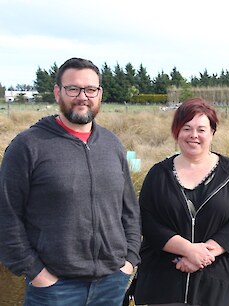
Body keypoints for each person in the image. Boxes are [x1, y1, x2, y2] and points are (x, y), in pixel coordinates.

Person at [0, 57, 141, 306]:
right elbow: (7, 215)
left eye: (90, 89)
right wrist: (35, 272)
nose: (82, 97)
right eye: (73, 89)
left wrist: (129, 260)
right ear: (58, 92)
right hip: (54, 288)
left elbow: (129, 209)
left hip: (111, 283)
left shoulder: (112, 144)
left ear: (99, 94)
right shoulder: (27, 146)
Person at [134, 97, 229, 306]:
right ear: (176, 131)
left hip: (217, 282)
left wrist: (204, 254)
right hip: (162, 282)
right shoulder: (158, 174)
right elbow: (148, 221)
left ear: (212, 132)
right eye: (186, 128)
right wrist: (187, 250)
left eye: (201, 129)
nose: (194, 135)